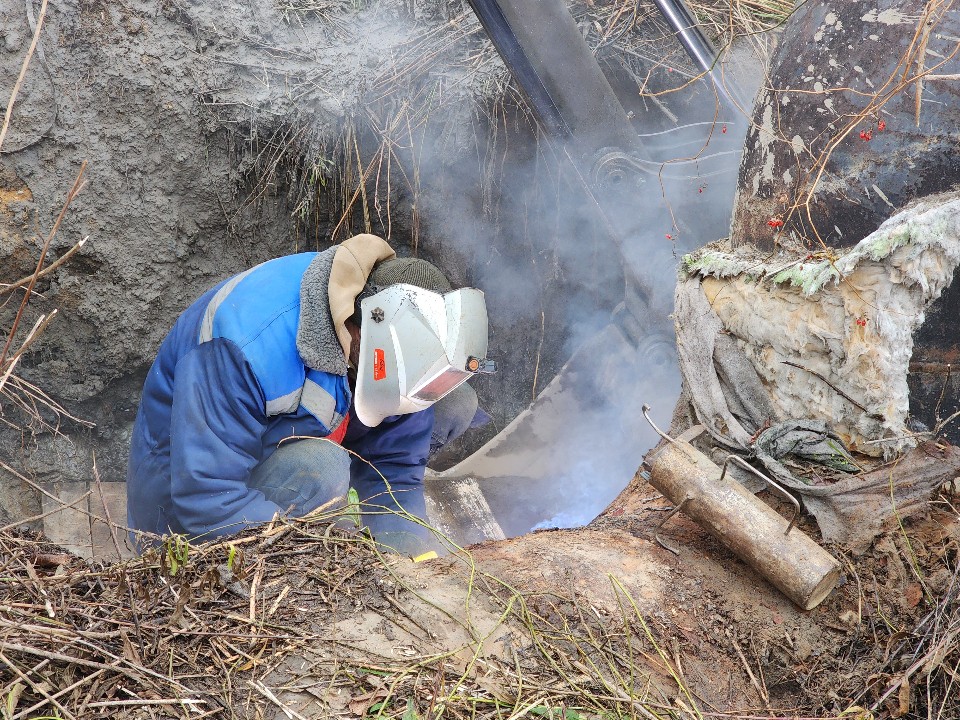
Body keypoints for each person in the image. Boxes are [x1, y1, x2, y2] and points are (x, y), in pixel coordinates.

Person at [126, 234, 492, 556]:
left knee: (455, 406)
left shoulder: (388, 334)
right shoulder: (245, 346)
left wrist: (410, 551)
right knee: (321, 468)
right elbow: (206, 498)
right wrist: (338, 553)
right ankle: (305, 524)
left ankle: (323, 508)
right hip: (182, 514)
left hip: (283, 442)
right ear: (365, 334)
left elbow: (395, 471)